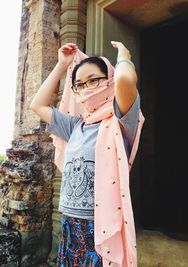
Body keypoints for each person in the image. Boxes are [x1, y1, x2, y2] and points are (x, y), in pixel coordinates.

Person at [30, 42, 144, 267]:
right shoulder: (75, 126)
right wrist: (62, 66)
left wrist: (123, 56)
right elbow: (37, 105)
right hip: (70, 223)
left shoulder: (121, 121)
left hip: (101, 228)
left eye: (94, 80)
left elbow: (125, 80)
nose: (86, 88)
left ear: (109, 79)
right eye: (80, 84)